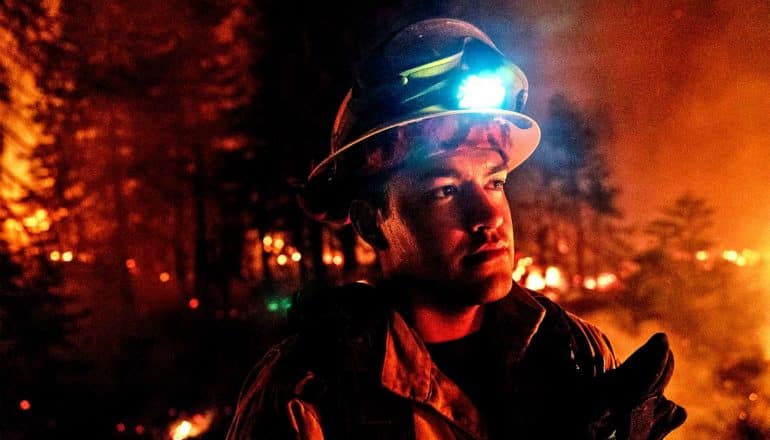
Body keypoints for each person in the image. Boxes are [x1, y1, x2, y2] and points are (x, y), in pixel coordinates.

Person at [227, 18, 686, 439]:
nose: (488, 217)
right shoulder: (307, 396)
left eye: (495, 182)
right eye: (445, 191)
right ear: (371, 222)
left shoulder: (574, 352)